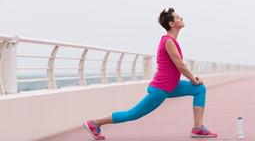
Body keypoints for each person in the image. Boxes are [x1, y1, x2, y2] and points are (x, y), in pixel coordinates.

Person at [84, 8, 218, 140]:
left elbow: (178, 66)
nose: (181, 18)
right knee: (132, 114)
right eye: (177, 17)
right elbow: (180, 65)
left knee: (200, 89)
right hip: (161, 88)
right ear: (171, 24)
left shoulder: (170, 40)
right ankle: (94, 123)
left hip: (171, 86)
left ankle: (198, 128)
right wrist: (193, 79)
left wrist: (193, 79)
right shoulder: (168, 41)